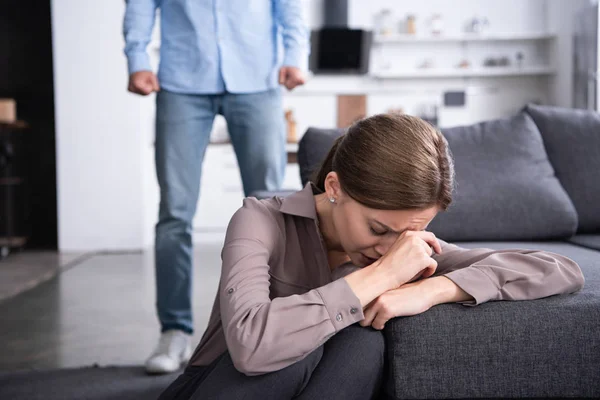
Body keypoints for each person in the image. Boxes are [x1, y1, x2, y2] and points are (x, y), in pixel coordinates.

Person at [157, 113, 585, 399]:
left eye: (409, 234)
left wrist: (436, 288)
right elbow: (252, 347)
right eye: (379, 229)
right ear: (334, 187)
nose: (389, 247)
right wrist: (381, 277)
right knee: (298, 343)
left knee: (362, 343)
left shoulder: (409, 250)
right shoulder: (259, 220)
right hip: (214, 385)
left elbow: (559, 269)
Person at [123, 1, 309, 374]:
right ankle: (174, 330)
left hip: (258, 78)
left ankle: (276, 324)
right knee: (174, 212)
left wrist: (295, 55)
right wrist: (137, 58)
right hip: (181, 82)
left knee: (273, 207)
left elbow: (289, 8)